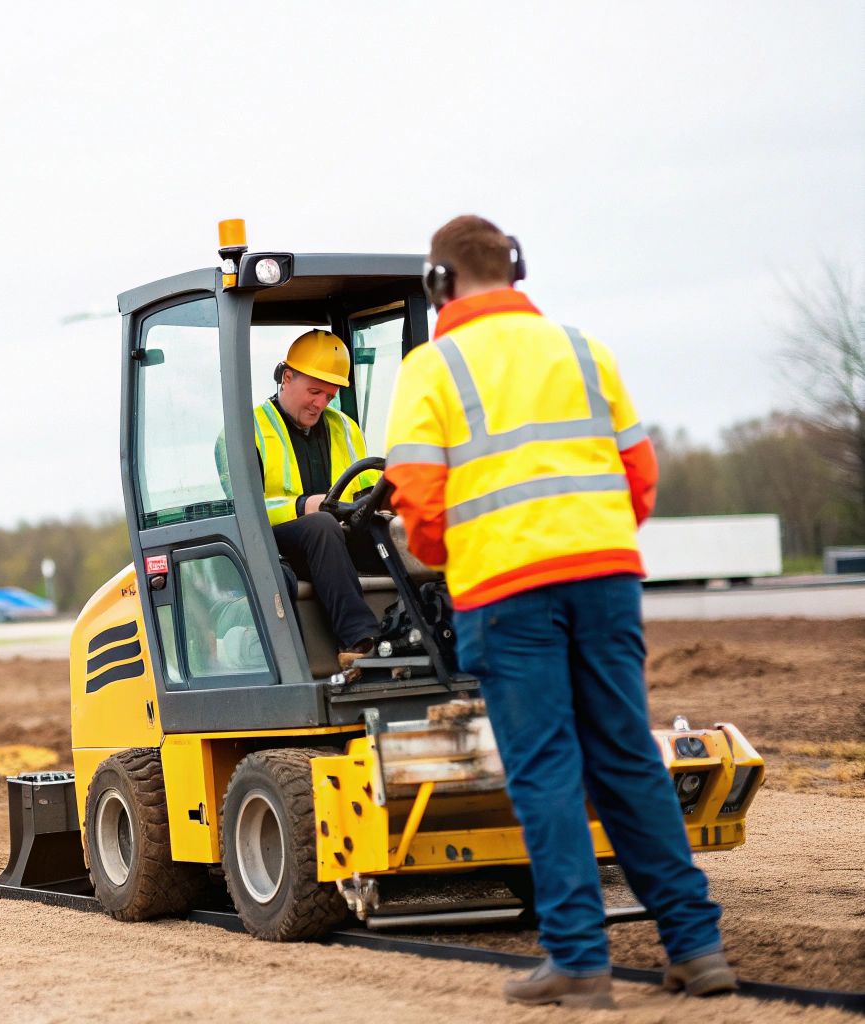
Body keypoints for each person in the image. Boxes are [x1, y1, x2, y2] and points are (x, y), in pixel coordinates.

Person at [384, 215, 732, 1008]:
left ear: (440, 283)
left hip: (508, 592)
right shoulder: (584, 350)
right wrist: (593, 536)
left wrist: (457, 553)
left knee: (545, 768)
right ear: (518, 269)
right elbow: (639, 472)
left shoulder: (433, 368)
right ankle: (696, 947)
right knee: (628, 759)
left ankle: (579, 960)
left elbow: (420, 505)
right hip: (606, 578)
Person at [222, 329, 385, 666]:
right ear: (287, 377)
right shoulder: (243, 432)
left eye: (330, 395)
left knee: (397, 529)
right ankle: (360, 640)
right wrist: (302, 506)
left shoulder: (346, 428)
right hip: (273, 545)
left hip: (335, 540)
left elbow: (368, 489)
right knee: (321, 525)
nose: (321, 403)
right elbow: (244, 510)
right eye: (314, 391)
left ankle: (424, 628)